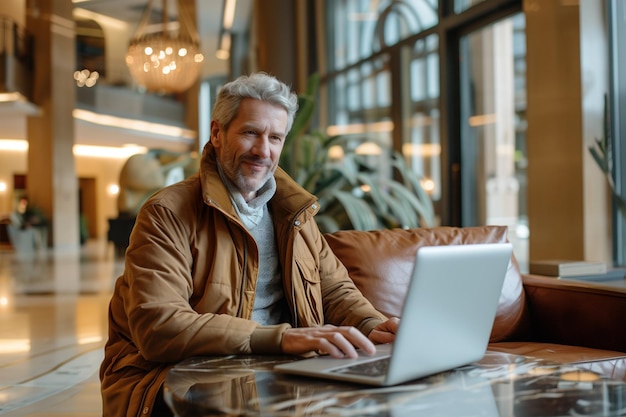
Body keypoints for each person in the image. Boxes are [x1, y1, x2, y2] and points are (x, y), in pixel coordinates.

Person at [99, 72, 399, 417]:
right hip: (173, 378)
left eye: (275, 137)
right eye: (250, 133)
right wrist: (281, 338)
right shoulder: (166, 213)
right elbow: (159, 327)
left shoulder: (295, 214)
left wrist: (373, 325)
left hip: (273, 371)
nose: (263, 150)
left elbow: (335, 291)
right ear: (217, 133)